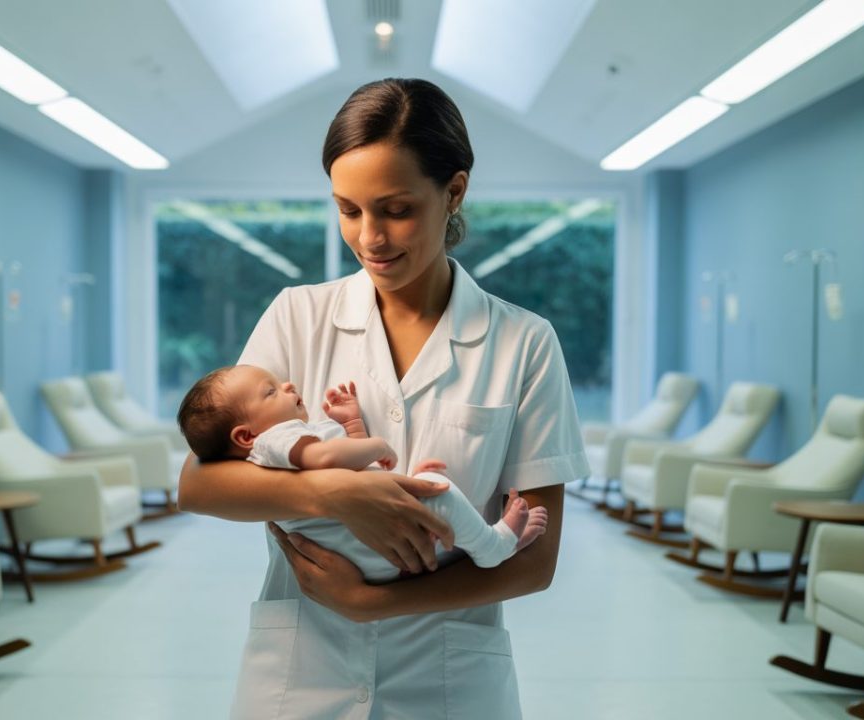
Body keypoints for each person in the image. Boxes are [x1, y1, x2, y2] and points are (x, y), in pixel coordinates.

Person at [178, 77, 588, 719]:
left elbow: (535, 563)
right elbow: (200, 484)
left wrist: (376, 603)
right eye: (348, 209)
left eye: (396, 209)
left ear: (454, 191)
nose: (370, 237)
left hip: (447, 681)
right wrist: (331, 494)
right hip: (302, 675)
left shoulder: (524, 343)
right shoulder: (296, 315)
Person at [176, 364, 548, 581]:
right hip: (358, 548)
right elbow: (325, 462)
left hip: (358, 551)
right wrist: (377, 446)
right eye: (271, 391)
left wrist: (352, 424)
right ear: (245, 435)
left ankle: (442, 519)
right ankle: (492, 546)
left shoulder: (287, 440)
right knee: (442, 491)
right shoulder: (274, 441)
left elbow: (346, 468)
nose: (288, 384)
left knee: (428, 490)